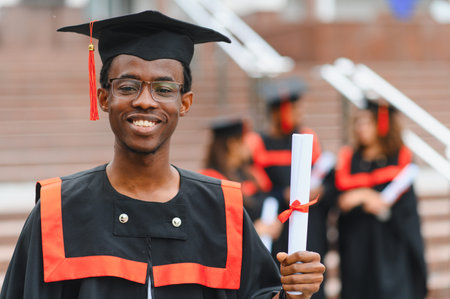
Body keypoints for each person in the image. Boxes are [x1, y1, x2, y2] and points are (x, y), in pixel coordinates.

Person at [0, 11, 325, 299]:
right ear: (104, 98)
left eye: (164, 89)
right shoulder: (59, 211)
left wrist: (294, 294)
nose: (145, 101)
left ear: (184, 102)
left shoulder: (222, 211)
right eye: (127, 86)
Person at [333, 98, 427, 299]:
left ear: (382, 125)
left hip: (390, 246)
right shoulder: (350, 157)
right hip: (357, 246)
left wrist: (369, 199)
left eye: (366, 122)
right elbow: (340, 200)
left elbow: (407, 207)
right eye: (358, 122)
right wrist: (366, 197)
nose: (360, 128)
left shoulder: (400, 157)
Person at [199, 117, 281, 238]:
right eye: (244, 141)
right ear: (232, 144)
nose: (250, 146)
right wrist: (253, 231)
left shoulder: (248, 173)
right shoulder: (211, 179)